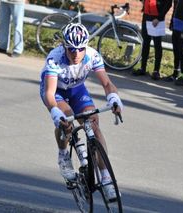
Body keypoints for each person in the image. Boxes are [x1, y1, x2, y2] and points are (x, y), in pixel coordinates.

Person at [39, 23, 123, 200]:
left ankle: (106, 178)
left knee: (93, 123)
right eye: (71, 49)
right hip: (56, 92)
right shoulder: (54, 59)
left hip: (77, 90)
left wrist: (114, 99)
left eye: (80, 49)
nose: (76, 53)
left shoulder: (92, 55)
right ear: (64, 46)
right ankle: (63, 156)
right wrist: (54, 111)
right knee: (67, 122)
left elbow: (107, 83)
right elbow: (49, 93)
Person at [133, 0, 172, 80]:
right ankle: (142, 68)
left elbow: (168, 4)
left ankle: (156, 71)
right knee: (145, 43)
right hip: (146, 16)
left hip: (157, 19)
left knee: (157, 45)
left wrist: (159, 18)